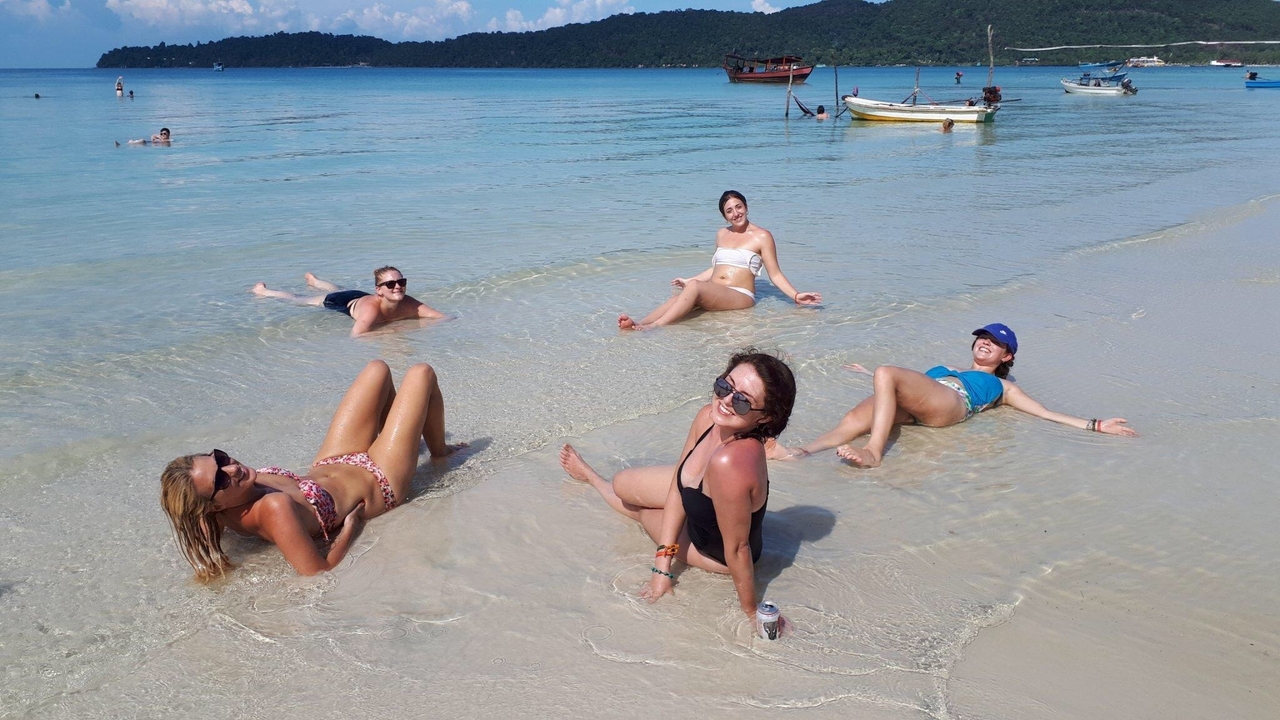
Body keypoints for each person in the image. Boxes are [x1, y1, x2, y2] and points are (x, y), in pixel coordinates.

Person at [160, 360, 466, 580]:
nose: (232, 468)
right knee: (421, 373)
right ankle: (439, 454)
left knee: (378, 369)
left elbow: (192, 515)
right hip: (378, 480)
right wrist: (350, 527)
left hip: (333, 462)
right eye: (220, 478)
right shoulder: (272, 507)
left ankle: (401, 437)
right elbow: (317, 570)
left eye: (220, 457)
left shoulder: (214, 510)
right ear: (215, 502)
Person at [559, 350, 796, 625]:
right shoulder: (708, 417)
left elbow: (738, 548)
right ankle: (604, 482)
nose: (727, 401)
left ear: (765, 417)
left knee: (641, 512)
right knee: (623, 484)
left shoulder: (731, 460)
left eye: (743, 401)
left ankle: (591, 478)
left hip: (714, 552)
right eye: (725, 386)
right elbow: (677, 486)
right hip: (704, 501)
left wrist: (752, 611)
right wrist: (662, 568)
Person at [766, 323, 1138, 467]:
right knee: (855, 417)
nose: (986, 344)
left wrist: (1094, 424)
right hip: (925, 400)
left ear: (1007, 356)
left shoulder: (1004, 387)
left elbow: (1045, 413)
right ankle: (801, 452)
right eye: (983, 339)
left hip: (952, 407)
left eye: (996, 344)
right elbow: (904, 384)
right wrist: (867, 374)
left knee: (886, 372)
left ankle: (874, 453)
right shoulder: (947, 369)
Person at [618, 191, 821, 330]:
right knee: (676, 300)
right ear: (725, 217)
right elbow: (716, 268)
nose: (736, 213)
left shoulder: (762, 236)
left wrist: (795, 296)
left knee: (695, 289)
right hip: (715, 291)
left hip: (741, 295)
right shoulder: (722, 234)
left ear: (746, 207)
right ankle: (638, 324)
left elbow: (775, 274)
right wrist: (690, 280)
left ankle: (654, 327)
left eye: (738, 207)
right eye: (729, 211)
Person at [252, 266, 446, 337]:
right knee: (301, 300)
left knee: (340, 288)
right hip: (340, 302)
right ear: (379, 290)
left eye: (401, 282)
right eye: (391, 284)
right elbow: (358, 334)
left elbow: (445, 318)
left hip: (357, 295)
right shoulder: (371, 310)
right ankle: (263, 291)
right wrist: (399, 329)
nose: (397, 286)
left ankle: (315, 281)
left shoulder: (409, 303)